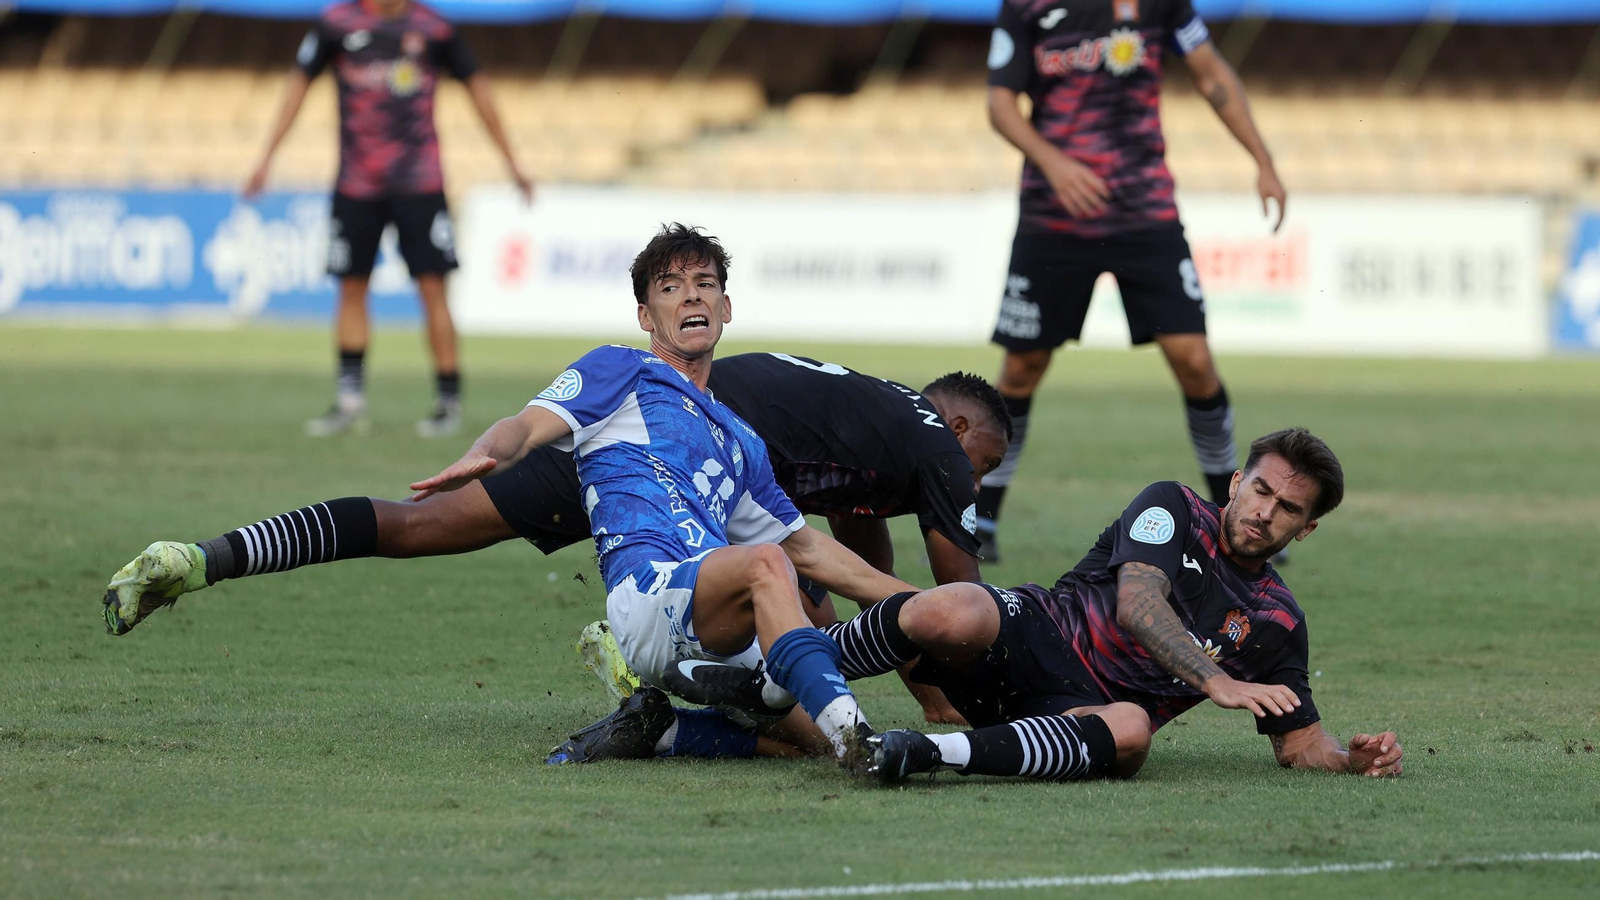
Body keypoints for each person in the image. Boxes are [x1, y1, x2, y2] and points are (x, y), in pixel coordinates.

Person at [111, 224, 913, 761]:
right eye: (673, 287)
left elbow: (807, 544)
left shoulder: (740, 438)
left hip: (703, 593)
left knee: (792, 717)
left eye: (705, 284)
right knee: (411, 525)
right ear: (646, 312)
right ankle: (854, 738)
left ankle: (671, 726)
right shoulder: (618, 370)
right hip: (628, 548)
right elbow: (526, 426)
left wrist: (915, 603)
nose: (693, 296)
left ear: (728, 305)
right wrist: (482, 451)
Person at [100, 356, 1011, 727]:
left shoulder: (877, 425)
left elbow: (873, 577)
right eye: (987, 460)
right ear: (963, 429)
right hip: (687, 461)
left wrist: (928, 678)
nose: (978, 480)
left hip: (628, 438)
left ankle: (201, 557)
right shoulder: (936, 446)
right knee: (790, 660)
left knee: (415, 525)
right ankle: (665, 673)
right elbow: (938, 594)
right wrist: (956, 697)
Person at [689, 429, 1403, 782]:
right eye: (1262, 491)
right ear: (1238, 481)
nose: (1265, 512)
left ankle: (919, 754)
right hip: (1038, 633)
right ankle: (768, 683)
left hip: (1076, 712)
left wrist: (1350, 759)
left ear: (1306, 530)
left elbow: (1300, 741)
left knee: (1131, 731)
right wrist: (1212, 678)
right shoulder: (1172, 508)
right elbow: (1136, 602)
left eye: (1288, 510)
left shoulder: (1277, 620)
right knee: (953, 606)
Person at [976, 0, 1288, 562]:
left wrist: (1262, 160)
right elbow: (1000, 105)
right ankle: (983, 517)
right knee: (1022, 368)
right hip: (1055, 216)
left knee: (1193, 360)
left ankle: (1231, 514)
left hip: (1145, 213)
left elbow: (1212, 75)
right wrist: (1054, 162)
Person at [245, 0, 532, 438]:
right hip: (356, 186)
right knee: (352, 286)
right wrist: (266, 157)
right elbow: (298, 86)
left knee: (433, 288)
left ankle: (448, 402)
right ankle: (349, 402)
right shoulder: (335, 24)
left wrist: (512, 160)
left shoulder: (434, 28)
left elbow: (479, 89)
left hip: (420, 186)